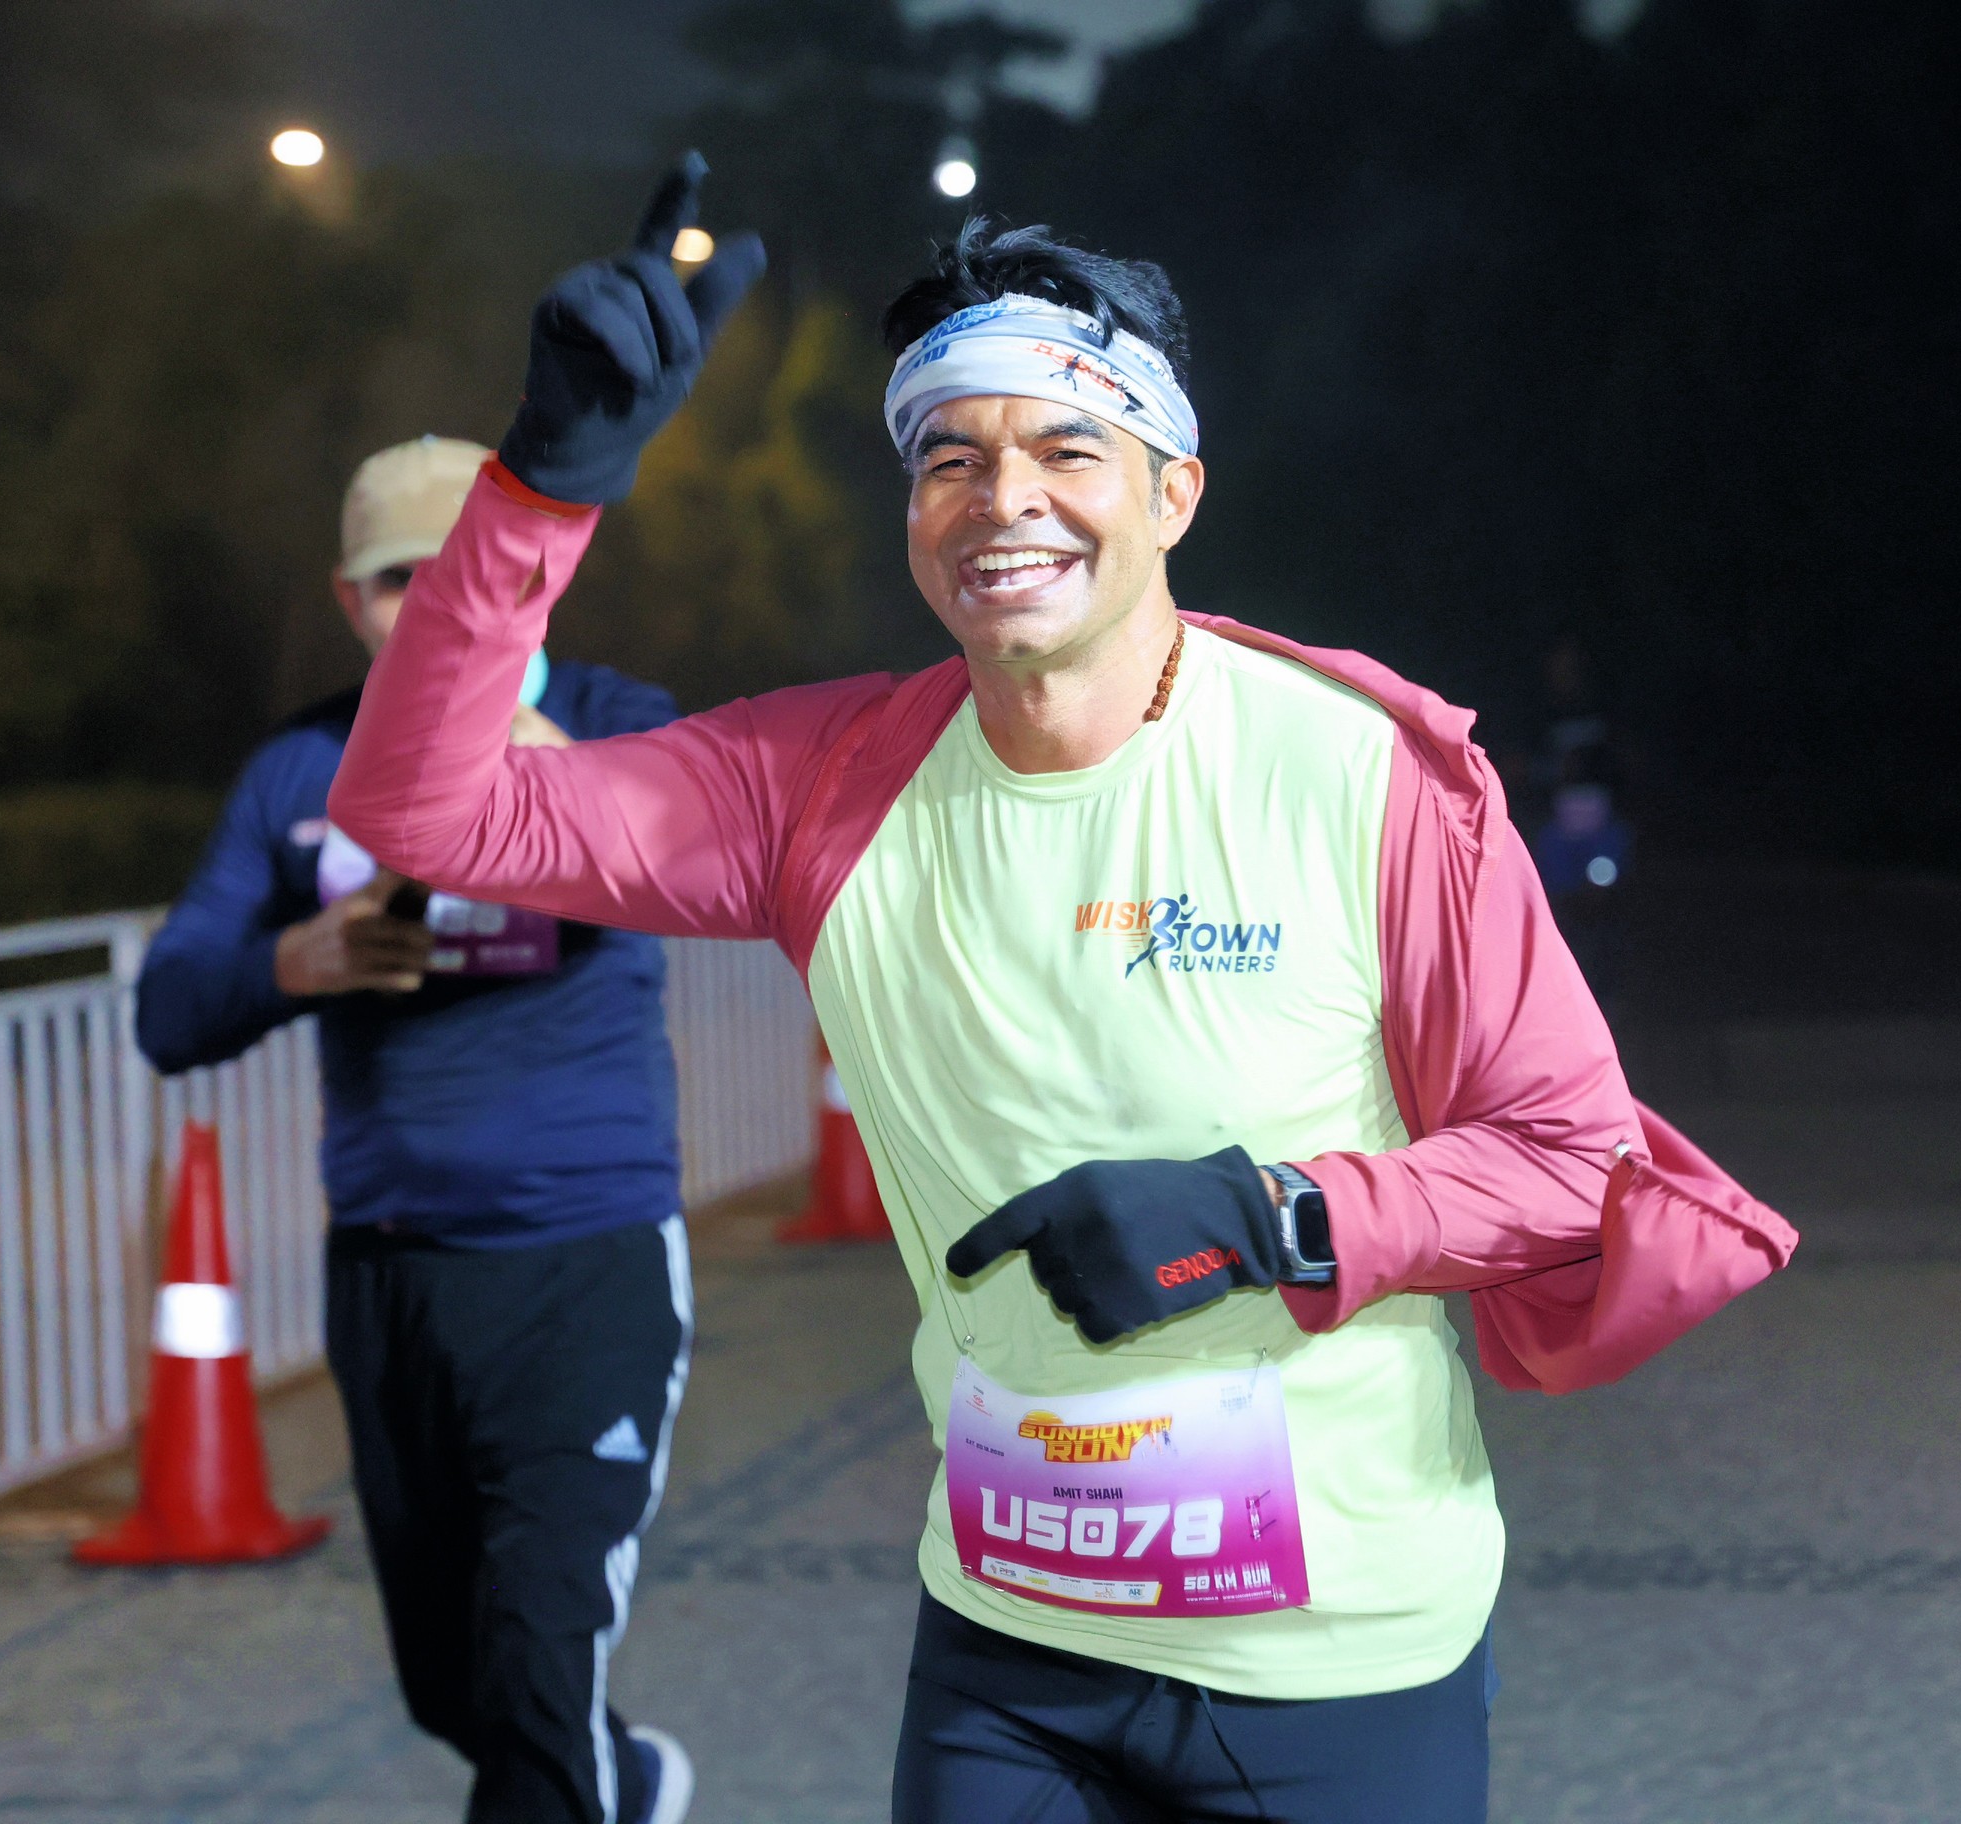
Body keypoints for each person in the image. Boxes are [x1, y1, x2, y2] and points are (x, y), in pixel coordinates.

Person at [331, 156, 1792, 1823]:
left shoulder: (1359, 775)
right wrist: (543, 486)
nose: (1000, 498)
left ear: (1173, 492)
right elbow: (425, 812)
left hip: (1336, 1658)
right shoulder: (821, 788)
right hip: (1009, 1643)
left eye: (1066, 448)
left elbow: (1570, 1162)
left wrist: (1272, 1217)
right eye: (948, 458)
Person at [134, 434, 697, 1824]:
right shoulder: (300, 767)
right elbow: (169, 1008)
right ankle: (629, 1783)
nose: (441, 609)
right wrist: (298, 960)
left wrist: (535, 760)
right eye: (404, 582)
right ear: (350, 600)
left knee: (536, 1666)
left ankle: (583, 1779)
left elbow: (689, 857)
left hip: (584, 1266)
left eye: (471, 578)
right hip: (390, 1277)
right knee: (454, 1686)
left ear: (535, 584)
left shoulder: (618, 720)